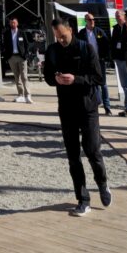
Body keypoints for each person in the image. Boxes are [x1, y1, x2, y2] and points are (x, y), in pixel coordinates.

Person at [43, 16, 111, 216]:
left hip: (87, 107)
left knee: (92, 151)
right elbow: (47, 76)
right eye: (57, 37)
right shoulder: (52, 50)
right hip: (66, 108)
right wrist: (55, 79)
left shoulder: (86, 48)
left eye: (63, 36)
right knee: (73, 156)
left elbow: (98, 77)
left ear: (70, 30)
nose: (60, 40)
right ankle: (83, 199)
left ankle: (103, 184)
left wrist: (76, 79)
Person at [78, 13, 112, 115]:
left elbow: (106, 44)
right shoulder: (82, 33)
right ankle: (96, 104)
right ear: (86, 21)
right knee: (93, 84)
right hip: (88, 62)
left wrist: (105, 57)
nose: (92, 21)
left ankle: (107, 107)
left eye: (93, 19)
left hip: (99, 61)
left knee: (103, 84)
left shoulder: (99, 32)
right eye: (90, 19)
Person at [111, 10, 127, 117]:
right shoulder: (116, 28)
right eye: (116, 16)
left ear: (124, 17)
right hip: (119, 59)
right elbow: (113, 43)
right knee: (124, 84)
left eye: (119, 16)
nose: (117, 18)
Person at [2, 17, 32, 103]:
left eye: (14, 23)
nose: (13, 24)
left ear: (17, 23)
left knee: (24, 76)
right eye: (11, 23)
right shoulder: (7, 33)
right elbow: (4, 45)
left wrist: (25, 55)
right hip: (12, 57)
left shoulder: (22, 32)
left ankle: (28, 95)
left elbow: (27, 44)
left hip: (21, 57)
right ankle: (20, 95)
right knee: (17, 77)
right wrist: (7, 56)